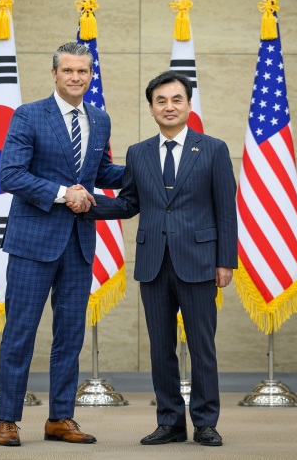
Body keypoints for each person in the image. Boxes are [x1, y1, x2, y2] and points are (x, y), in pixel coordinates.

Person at [78, 71, 237, 447]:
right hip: (152, 263)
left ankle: (205, 422)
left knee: (202, 347)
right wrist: (86, 204)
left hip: (199, 261)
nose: (169, 107)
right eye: (160, 101)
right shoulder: (138, 153)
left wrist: (225, 261)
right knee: (161, 348)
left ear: (189, 104)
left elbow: (225, 210)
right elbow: (129, 203)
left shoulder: (213, 149)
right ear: (151, 108)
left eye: (176, 99)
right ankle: (170, 422)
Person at [0, 42, 124, 447]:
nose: (75, 77)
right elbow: (10, 174)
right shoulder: (28, 115)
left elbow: (101, 171)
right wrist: (63, 193)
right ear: (54, 74)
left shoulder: (99, 119)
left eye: (82, 71)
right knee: (20, 332)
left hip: (79, 243)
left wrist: (148, 164)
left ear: (91, 75)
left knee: (70, 335)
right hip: (32, 242)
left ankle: (60, 418)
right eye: (68, 70)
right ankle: (7, 420)